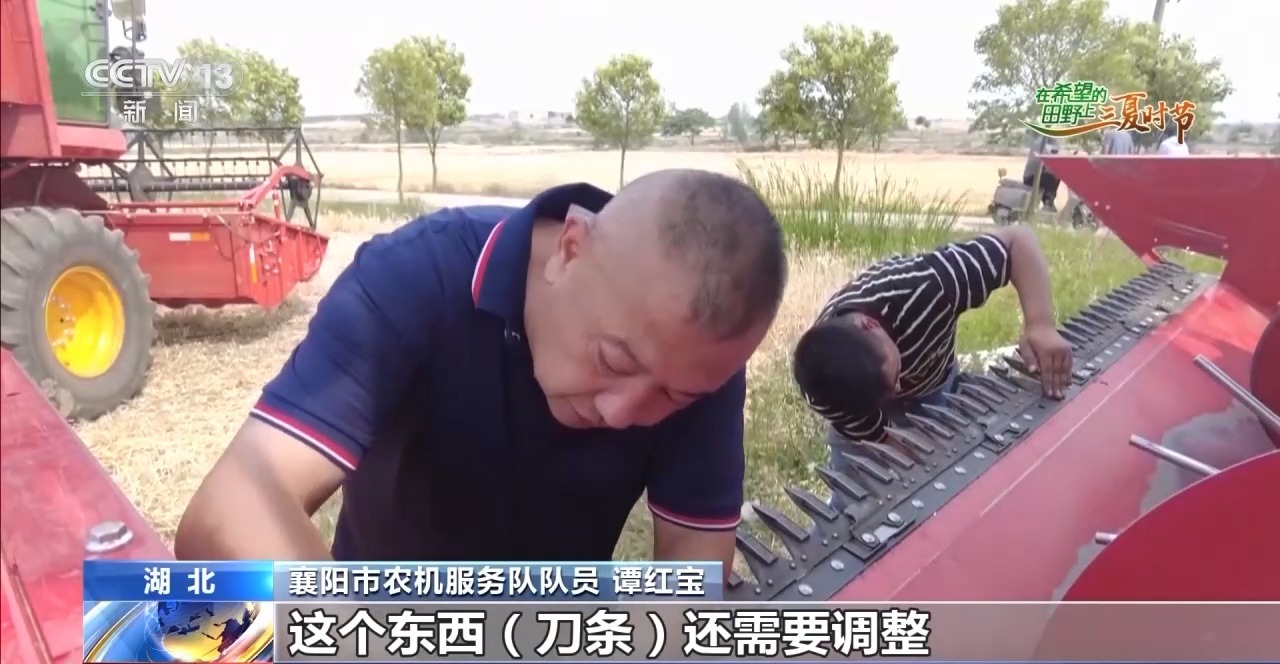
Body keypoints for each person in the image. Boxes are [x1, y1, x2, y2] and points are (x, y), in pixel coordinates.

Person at [174, 170, 788, 576]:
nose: (622, 413)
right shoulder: (416, 278)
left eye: (672, 397)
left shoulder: (696, 358)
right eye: (614, 360)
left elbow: (690, 576)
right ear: (571, 250)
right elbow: (231, 508)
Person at [792, 227, 1073, 509]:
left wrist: (1040, 324)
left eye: (894, 375)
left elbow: (1016, 242)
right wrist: (892, 443)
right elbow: (869, 431)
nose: (899, 388)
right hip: (861, 413)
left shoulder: (926, 287)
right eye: (888, 389)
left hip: (933, 382)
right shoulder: (823, 387)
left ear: (870, 324)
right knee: (856, 507)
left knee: (946, 493)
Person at [1022, 136, 1063, 211]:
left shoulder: (1044, 141)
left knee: (1053, 175)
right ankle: (1048, 202)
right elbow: (1048, 162)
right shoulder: (1044, 144)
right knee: (1054, 176)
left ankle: (1048, 201)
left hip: (1034, 175)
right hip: (1032, 177)